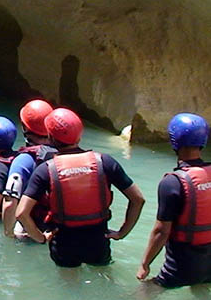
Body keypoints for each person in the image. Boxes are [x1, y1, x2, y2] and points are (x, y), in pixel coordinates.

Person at [15, 108, 145, 267]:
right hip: (98, 242)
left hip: (63, 244)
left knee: (69, 280)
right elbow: (138, 199)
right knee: (102, 275)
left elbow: (21, 213)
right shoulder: (105, 162)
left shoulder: (45, 170)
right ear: (79, 135)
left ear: (50, 137)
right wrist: (122, 233)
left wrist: (40, 238)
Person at [137, 113, 211, 288]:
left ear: (174, 141)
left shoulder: (172, 182)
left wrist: (145, 264)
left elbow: (161, 231)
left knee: (144, 292)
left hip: (180, 268)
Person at [2, 99, 58, 239]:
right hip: (63, 228)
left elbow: (10, 202)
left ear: (25, 128)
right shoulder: (65, 153)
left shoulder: (24, 160)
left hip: (34, 231)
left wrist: (8, 234)